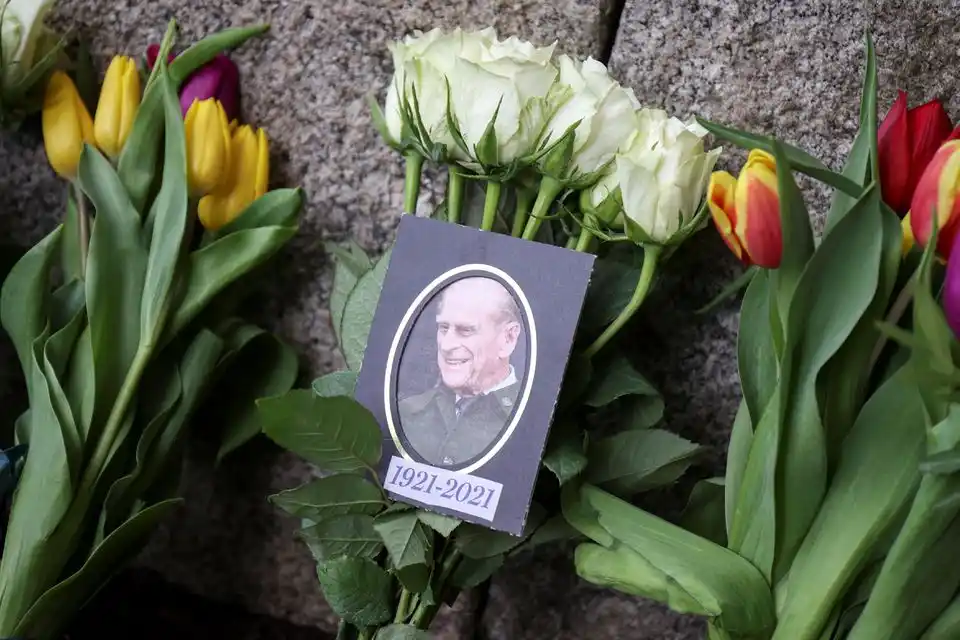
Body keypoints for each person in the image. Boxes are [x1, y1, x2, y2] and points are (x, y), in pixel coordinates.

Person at [399, 276, 523, 468]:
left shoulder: (529, 422)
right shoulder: (405, 412)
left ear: (508, 338)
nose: (446, 345)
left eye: (465, 330)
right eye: (443, 328)